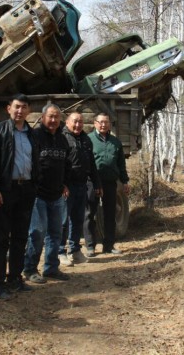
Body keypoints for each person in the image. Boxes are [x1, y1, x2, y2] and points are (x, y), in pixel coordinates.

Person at [0, 94, 38, 299]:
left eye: (24, 107)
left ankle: (15, 278)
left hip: (26, 191)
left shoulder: (32, 134)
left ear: (28, 110)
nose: (20, 111)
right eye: (16, 107)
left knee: (20, 237)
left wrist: (35, 185)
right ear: (9, 109)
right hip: (6, 191)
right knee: (1, 238)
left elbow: (35, 162)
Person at [23, 104, 71, 283]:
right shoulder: (34, 136)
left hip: (57, 195)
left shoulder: (62, 139)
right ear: (43, 117)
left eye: (56, 117)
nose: (53, 120)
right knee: (37, 232)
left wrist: (65, 183)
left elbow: (67, 165)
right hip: (38, 195)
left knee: (55, 233)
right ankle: (29, 269)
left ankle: (51, 268)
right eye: (50, 117)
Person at [58, 112, 102, 266]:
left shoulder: (86, 139)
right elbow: (59, 164)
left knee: (77, 219)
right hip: (67, 187)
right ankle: (60, 251)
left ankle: (75, 250)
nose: (78, 125)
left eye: (81, 122)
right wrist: (62, 184)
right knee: (63, 221)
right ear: (67, 122)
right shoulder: (61, 138)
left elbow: (92, 164)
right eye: (75, 122)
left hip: (81, 185)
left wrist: (97, 184)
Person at [86, 112, 130, 256]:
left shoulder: (115, 142)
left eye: (106, 122)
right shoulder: (88, 140)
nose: (103, 124)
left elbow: (121, 164)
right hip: (92, 182)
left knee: (110, 214)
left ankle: (109, 246)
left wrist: (125, 181)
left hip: (110, 182)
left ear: (110, 124)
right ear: (95, 123)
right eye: (101, 122)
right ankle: (90, 246)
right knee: (89, 214)